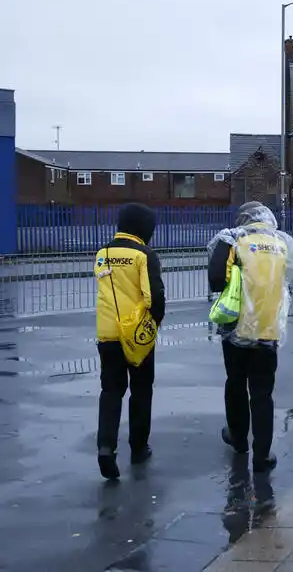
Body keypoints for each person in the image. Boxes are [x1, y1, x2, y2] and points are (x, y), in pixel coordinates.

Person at [208, 202, 293, 473]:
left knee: (235, 384)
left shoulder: (232, 240)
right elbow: (286, 280)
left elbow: (216, 281)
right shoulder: (284, 243)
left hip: (236, 326)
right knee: (262, 393)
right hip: (268, 329)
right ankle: (262, 454)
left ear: (243, 219)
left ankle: (238, 439)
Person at [94, 203, 166, 480]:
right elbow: (153, 298)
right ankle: (138, 447)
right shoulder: (144, 255)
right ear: (144, 228)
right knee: (141, 389)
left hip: (108, 333)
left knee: (111, 391)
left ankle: (105, 447)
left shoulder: (103, 253)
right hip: (137, 335)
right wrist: (154, 325)